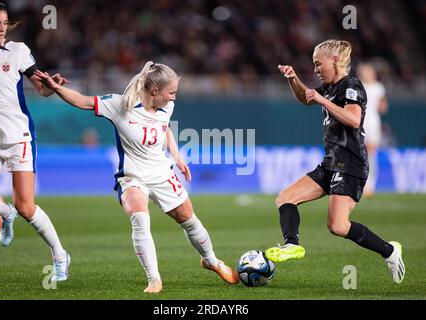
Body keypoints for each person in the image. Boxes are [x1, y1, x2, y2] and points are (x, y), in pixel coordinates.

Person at [35, 61, 240, 293]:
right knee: (140, 218)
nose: (174, 98)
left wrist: (178, 157)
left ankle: (211, 260)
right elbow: (82, 101)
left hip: (162, 173)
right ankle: (154, 280)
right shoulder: (120, 105)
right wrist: (56, 87)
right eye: (171, 93)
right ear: (155, 91)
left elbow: (165, 128)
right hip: (132, 177)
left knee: (189, 219)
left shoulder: (167, 107)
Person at [265, 40, 405, 284]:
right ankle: (292, 245)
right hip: (330, 163)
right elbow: (306, 98)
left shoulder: (352, 85)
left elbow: (353, 119)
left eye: (318, 64)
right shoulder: (328, 88)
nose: (316, 69)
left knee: (338, 226)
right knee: (285, 198)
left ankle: (390, 251)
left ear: (335, 61)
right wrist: (293, 78)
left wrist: (322, 100)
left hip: (351, 164)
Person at [0, 1, 70, 281]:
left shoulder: (17, 52)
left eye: (5, 23)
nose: (2, 29)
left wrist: (53, 86)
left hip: (19, 138)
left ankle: (60, 254)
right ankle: (4, 212)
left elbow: (41, 90)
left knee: (26, 207)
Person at [357, 62, 388, 196]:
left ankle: (370, 184)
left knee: (371, 153)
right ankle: (359, 182)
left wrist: (381, 105)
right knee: (359, 152)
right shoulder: (358, 85)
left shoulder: (378, 87)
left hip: (372, 122)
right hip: (359, 121)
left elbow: (383, 106)